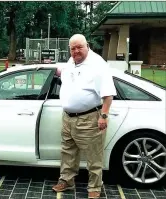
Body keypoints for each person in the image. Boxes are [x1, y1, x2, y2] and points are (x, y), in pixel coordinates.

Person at [52, 34, 117, 199]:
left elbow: (108, 95)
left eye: (79, 47)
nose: (76, 51)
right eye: (72, 48)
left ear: (87, 45)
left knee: (94, 156)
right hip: (68, 117)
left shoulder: (97, 65)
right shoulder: (71, 61)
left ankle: (95, 187)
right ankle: (67, 181)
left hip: (89, 118)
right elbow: (68, 74)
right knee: (68, 151)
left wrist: (103, 116)